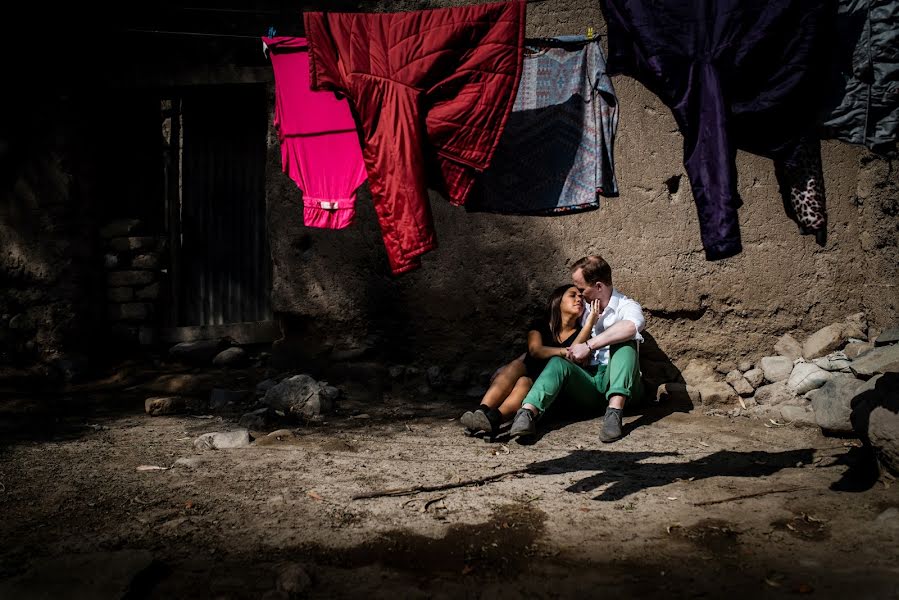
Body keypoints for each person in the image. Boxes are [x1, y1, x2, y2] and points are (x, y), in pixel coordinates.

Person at [509, 255, 645, 443]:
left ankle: (614, 414)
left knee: (624, 341)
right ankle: (527, 413)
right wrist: (518, 360)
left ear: (598, 287)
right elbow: (561, 344)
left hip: (622, 384)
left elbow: (631, 326)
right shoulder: (586, 310)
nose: (579, 295)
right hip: (590, 381)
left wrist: (589, 345)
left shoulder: (627, 306)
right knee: (558, 361)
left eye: (581, 289)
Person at [460, 284, 599, 437]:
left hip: (549, 390)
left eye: (581, 297)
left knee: (525, 383)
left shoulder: (583, 334)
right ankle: (482, 413)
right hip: (529, 374)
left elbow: (575, 355)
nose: (579, 299)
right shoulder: (540, 325)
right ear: (558, 301)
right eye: (572, 295)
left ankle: (493, 419)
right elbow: (535, 350)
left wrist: (590, 323)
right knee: (516, 367)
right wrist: (565, 351)